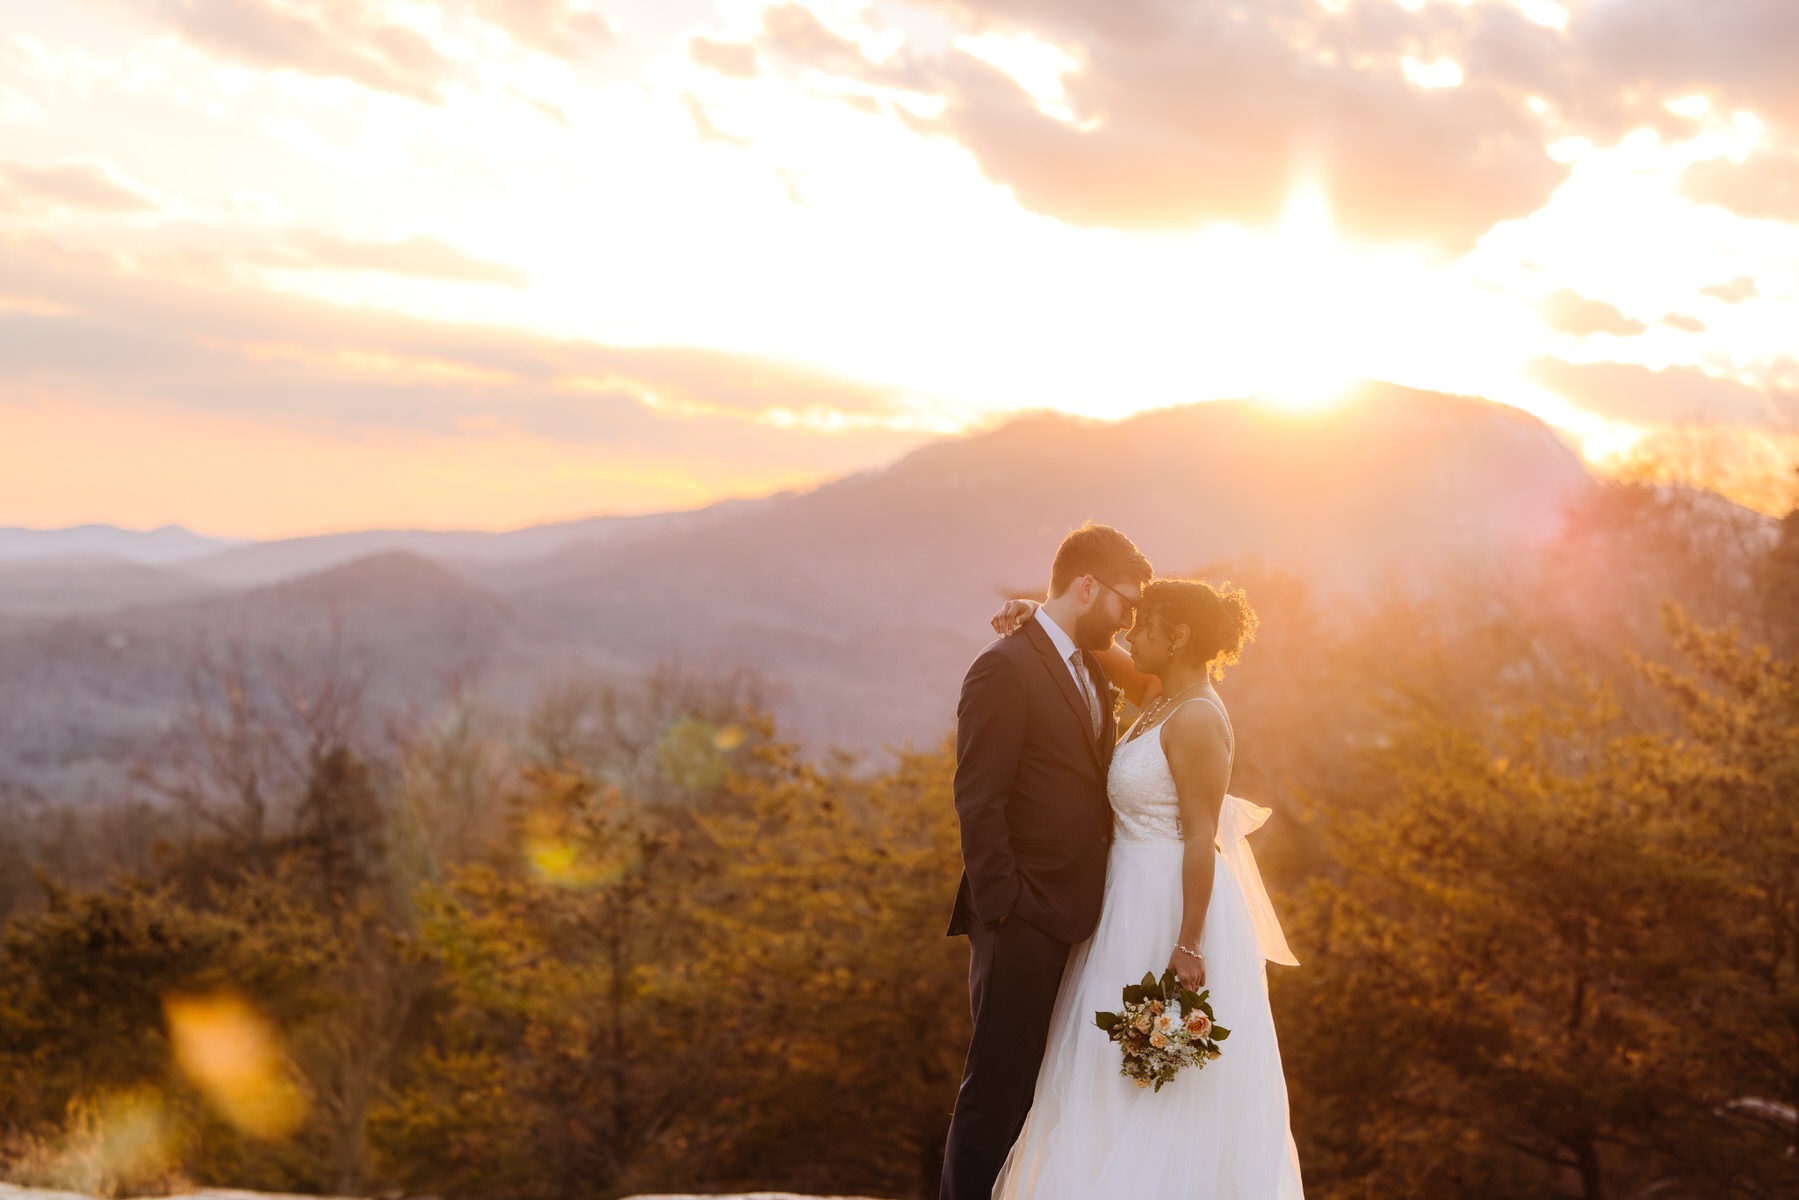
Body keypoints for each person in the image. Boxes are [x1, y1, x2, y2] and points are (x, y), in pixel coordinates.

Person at [986, 578, 1304, 1199]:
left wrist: (1187, 942)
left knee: (1159, 1079)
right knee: (1105, 1068)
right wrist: (1039, 617)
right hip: (1122, 904)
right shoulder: (1160, 696)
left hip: (1167, 909)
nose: (1130, 633)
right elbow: (1086, 648)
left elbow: (1200, 838)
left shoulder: (1198, 719)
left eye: (1144, 625)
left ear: (1177, 635)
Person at [939, 523, 1154, 1200]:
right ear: (1086, 586)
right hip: (1021, 917)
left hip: (1079, 918)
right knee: (997, 1090)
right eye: (1126, 602)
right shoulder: (1002, 668)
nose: (1130, 618)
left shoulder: (1088, 661)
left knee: (1046, 1090)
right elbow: (978, 801)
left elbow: (1155, 686)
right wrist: (1006, 908)